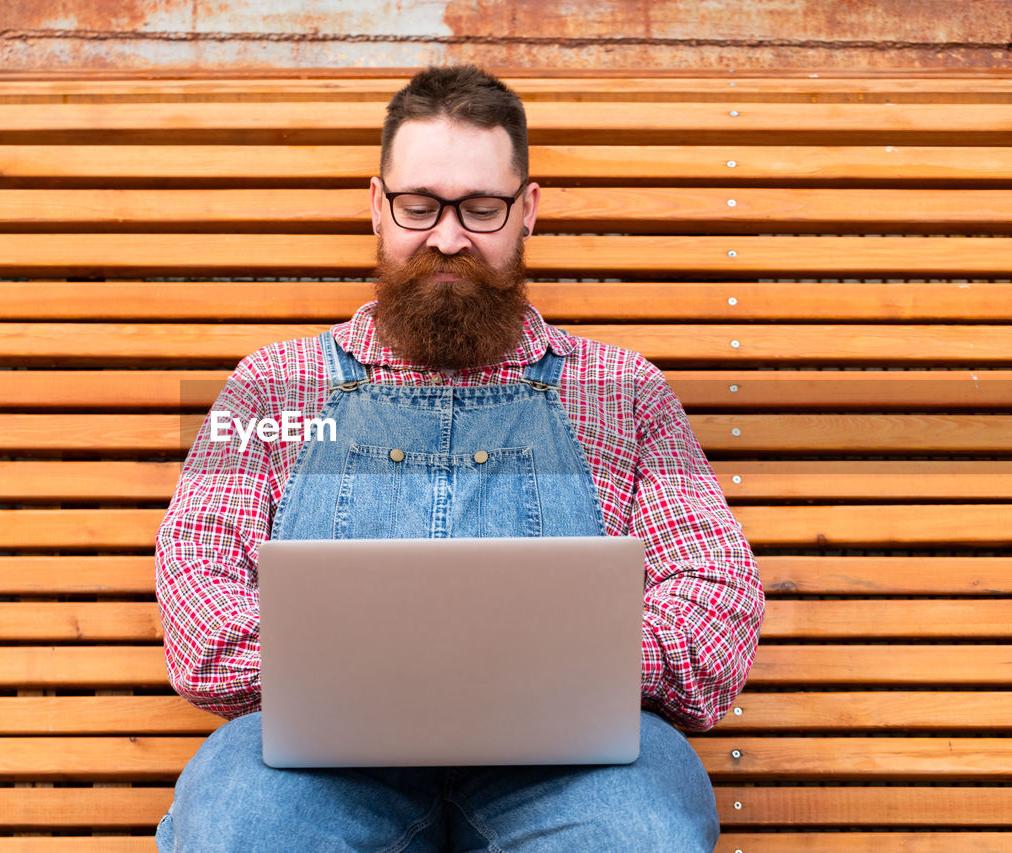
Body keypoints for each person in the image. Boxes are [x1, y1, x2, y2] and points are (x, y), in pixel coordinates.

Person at [155, 65, 765, 852]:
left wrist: (546, 669)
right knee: (238, 829)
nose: (448, 237)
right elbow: (198, 594)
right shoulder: (273, 387)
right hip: (320, 765)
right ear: (377, 206)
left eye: (481, 208)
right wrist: (402, 672)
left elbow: (716, 600)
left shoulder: (625, 391)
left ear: (528, 210)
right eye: (420, 206)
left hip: (571, 762)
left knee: (639, 833)